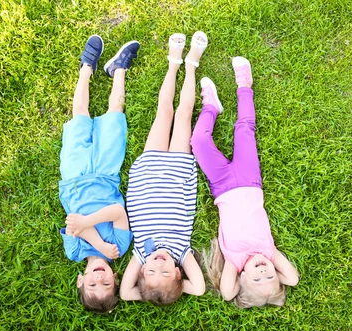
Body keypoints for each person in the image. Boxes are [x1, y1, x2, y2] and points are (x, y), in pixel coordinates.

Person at [191, 57, 299, 308]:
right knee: (244, 129)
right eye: (270, 276)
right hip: (249, 181)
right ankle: (244, 85)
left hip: (222, 186)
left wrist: (244, 284)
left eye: (257, 279)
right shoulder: (269, 251)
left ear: (241, 277)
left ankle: (211, 107)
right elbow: (292, 279)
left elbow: (228, 294)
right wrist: (272, 288)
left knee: (198, 142)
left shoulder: (234, 259)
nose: (263, 272)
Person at [119, 32, 208, 305]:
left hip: (150, 170)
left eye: (151, 272)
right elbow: (201, 288)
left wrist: (149, 292)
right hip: (179, 170)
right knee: (184, 113)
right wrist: (176, 287)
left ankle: (173, 63)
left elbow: (124, 293)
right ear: (179, 273)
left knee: (164, 111)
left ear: (142, 271)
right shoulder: (182, 253)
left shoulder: (140, 254)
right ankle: (191, 65)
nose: (159, 264)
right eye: (166, 272)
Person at [60, 35, 140, 313]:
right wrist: (96, 235)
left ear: (80, 281)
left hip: (74, 178)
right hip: (106, 174)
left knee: (80, 114)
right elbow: (117, 211)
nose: (99, 279)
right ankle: (118, 69)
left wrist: (91, 237)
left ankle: (86, 68)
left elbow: (73, 222)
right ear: (116, 279)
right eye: (106, 285)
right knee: (115, 113)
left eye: (92, 285)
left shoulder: (74, 252)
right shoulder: (120, 246)